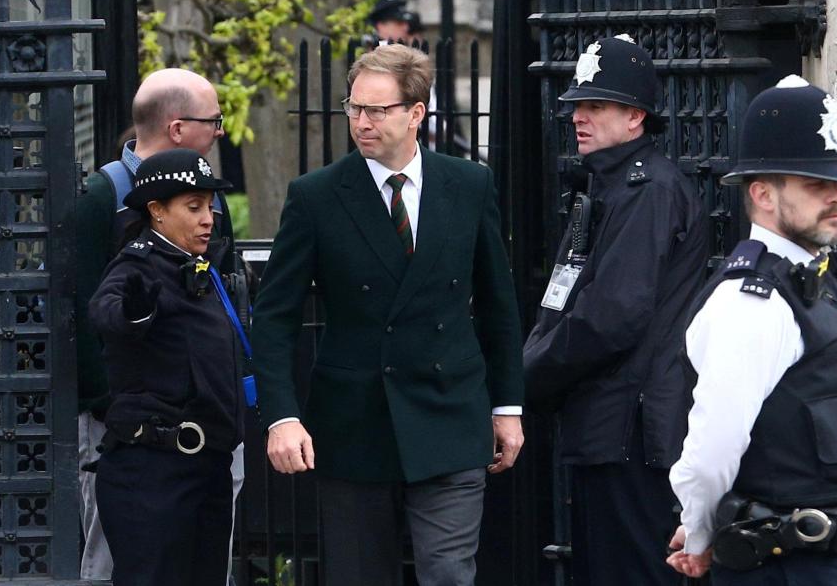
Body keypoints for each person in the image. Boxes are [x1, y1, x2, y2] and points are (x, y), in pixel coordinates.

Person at [250, 43, 524, 586]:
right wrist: (281, 416)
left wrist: (508, 405)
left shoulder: (469, 185)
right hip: (355, 422)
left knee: (448, 573)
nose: (361, 122)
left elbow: (497, 305)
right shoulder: (317, 196)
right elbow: (274, 316)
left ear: (415, 113)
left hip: (450, 411)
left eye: (377, 110)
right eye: (354, 108)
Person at [667, 75, 837, 585]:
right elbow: (711, 449)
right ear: (761, 192)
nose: (835, 197)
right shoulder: (752, 301)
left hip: (832, 559)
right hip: (787, 565)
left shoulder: (814, 278)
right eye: (814, 184)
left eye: (836, 183)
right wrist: (698, 536)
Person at [522, 34, 706, 585]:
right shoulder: (608, 187)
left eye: (595, 105)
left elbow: (612, 317)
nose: (579, 117)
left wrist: (522, 377)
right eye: (577, 105)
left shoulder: (647, 189)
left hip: (632, 428)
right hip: (609, 426)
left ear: (635, 116)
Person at [73, 68, 247, 582]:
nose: (207, 217)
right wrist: (109, 402)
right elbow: (93, 308)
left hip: (208, 439)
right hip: (135, 436)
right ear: (176, 127)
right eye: (212, 121)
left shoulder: (201, 211)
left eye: (208, 207)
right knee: (122, 565)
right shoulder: (102, 199)